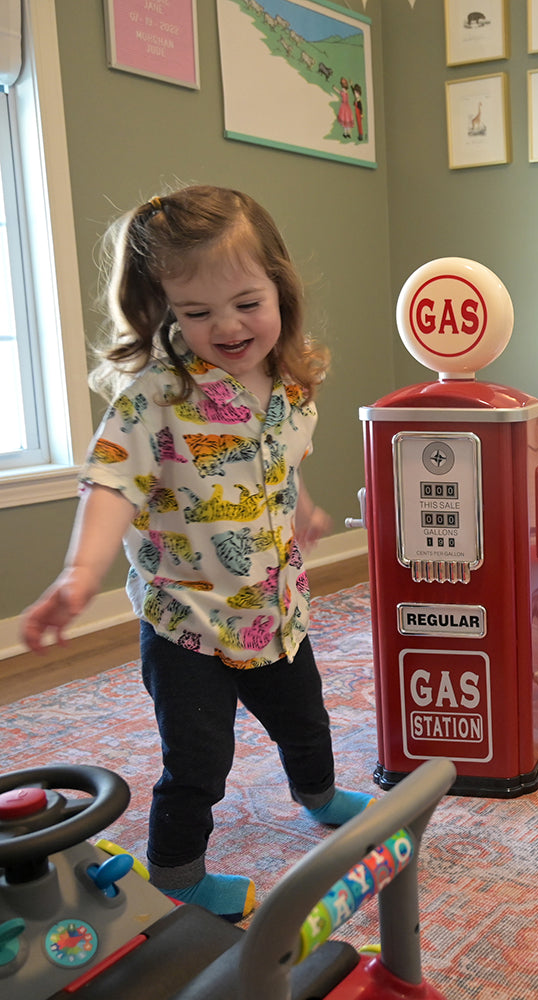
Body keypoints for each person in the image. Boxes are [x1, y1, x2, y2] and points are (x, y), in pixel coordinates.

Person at [20, 185, 373, 922]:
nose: (228, 326)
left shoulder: (292, 386)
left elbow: (276, 465)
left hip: (275, 609)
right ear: (163, 310)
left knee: (306, 719)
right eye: (196, 312)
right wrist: (80, 573)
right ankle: (177, 875)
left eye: (247, 302)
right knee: (198, 762)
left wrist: (301, 509)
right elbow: (111, 482)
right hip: (188, 623)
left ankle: (316, 793)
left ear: (280, 284)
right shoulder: (152, 398)